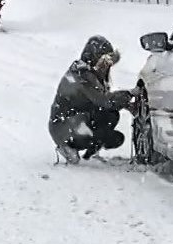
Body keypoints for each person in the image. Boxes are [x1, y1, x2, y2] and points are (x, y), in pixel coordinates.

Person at [48, 35, 137, 164]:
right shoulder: (81, 76)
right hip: (64, 127)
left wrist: (126, 104)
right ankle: (68, 146)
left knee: (111, 116)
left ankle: (90, 149)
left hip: (77, 120)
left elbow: (102, 101)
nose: (107, 66)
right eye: (105, 61)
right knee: (111, 136)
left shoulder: (88, 73)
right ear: (94, 58)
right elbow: (104, 101)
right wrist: (130, 94)